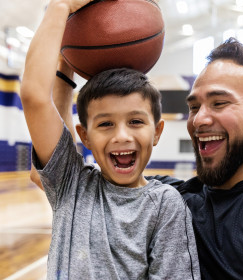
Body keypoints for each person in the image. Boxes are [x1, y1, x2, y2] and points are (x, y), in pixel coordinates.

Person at [29, 21, 243, 280]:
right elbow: (53, 163)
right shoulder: (170, 197)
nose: (199, 119)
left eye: (219, 102)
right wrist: (67, 68)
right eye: (195, 106)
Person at [20, 0, 200, 279]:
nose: (121, 135)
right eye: (105, 124)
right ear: (84, 136)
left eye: (136, 121)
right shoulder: (72, 186)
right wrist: (61, 9)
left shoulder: (166, 204)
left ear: (157, 132)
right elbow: (34, 96)